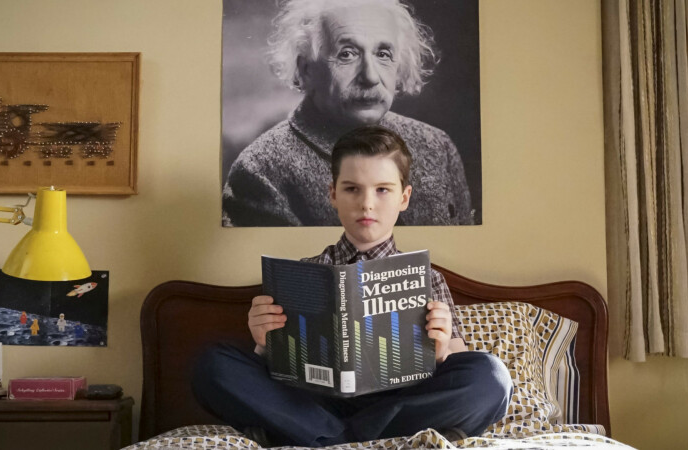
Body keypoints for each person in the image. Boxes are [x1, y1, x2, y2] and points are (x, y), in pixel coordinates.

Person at [195, 126, 511, 447]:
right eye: (352, 189)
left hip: (401, 403)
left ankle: (329, 438)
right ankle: (351, 437)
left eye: (383, 189)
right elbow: (276, 372)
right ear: (333, 194)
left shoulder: (429, 278)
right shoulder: (302, 273)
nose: (366, 204)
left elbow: (459, 365)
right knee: (213, 365)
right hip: (315, 402)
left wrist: (441, 353)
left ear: (404, 198)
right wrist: (264, 343)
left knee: (491, 376)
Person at [222, 0, 474, 227]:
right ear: (306, 69)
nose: (370, 77)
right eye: (347, 54)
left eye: (383, 54)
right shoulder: (260, 171)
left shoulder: (438, 146)